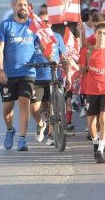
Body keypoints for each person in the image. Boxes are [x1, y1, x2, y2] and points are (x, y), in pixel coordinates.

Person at [0, 0, 39, 151]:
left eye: (25, 5)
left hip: (27, 71)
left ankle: (22, 138)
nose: (22, 7)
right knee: (7, 108)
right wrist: (0, 70)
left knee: (24, 101)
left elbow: (44, 45)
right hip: (8, 73)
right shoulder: (6, 25)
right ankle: (9, 130)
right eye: (20, 5)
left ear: (29, 7)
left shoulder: (34, 26)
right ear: (14, 7)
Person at [79, 23, 105, 163]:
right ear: (94, 35)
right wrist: (75, 68)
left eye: (104, 33)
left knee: (104, 117)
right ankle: (95, 143)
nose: (101, 35)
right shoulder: (87, 51)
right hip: (91, 89)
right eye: (99, 33)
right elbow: (83, 70)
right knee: (91, 122)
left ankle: (101, 149)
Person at [32, 11, 69, 144]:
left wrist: (68, 76)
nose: (44, 24)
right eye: (42, 22)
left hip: (54, 76)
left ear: (51, 23)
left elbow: (64, 57)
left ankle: (51, 135)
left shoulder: (57, 37)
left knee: (55, 106)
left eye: (47, 22)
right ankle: (41, 124)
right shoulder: (33, 36)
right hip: (38, 78)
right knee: (37, 108)